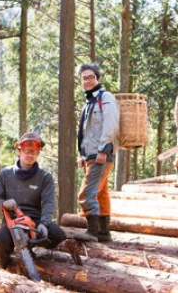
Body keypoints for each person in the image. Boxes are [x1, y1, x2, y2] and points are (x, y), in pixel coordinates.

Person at [0, 132, 66, 269]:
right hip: (12, 222)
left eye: (34, 152)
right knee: (0, 243)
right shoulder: (5, 174)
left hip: (35, 220)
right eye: (27, 151)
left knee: (57, 235)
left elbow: (49, 203)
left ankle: (30, 249)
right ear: (19, 151)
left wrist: (44, 222)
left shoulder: (45, 177)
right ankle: (5, 264)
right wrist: (3, 204)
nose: (30, 155)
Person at [74, 63, 120, 242]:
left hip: (101, 153)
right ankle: (104, 232)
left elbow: (111, 124)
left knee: (87, 192)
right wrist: (82, 154)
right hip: (90, 154)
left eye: (91, 77)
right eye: (84, 78)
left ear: (98, 79)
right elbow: (85, 131)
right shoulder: (89, 101)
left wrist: (104, 149)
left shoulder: (105, 97)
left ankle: (92, 232)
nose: (87, 81)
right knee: (101, 193)